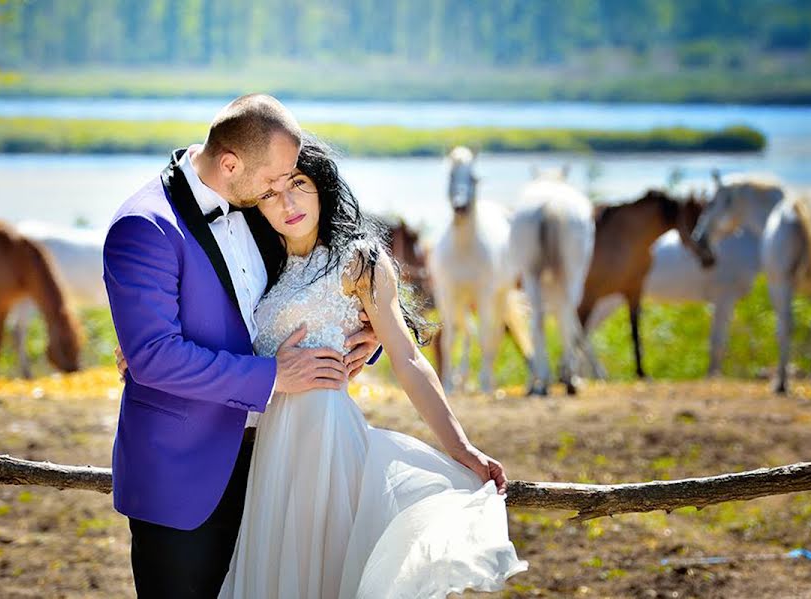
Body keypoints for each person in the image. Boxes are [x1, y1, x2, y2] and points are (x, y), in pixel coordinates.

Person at [216, 137, 527, 598]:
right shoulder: (265, 268)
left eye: (298, 184)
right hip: (272, 453)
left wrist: (461, 447)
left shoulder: (360, 261)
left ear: (322, 186)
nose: (287, 202)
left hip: (328, 442)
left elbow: (408, 357)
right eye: (269, 193)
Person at [103, 94, 382, 597]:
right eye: (275, 179)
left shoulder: (255, 206)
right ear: (230, 164)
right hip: (186, 476)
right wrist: (274, 376)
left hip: (279, 464)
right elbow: (153, 356)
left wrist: (368, 334)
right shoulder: (144, 227)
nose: (284, 191)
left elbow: (316, 282)